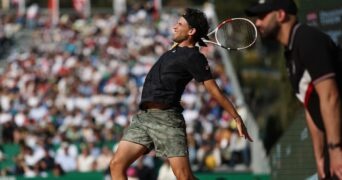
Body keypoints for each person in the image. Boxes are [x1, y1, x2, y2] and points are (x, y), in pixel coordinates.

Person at [109, 8, 253, 180]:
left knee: (183, 177)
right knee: (116, 165)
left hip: (167, 119)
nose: (174, 27)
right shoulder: (176, 48)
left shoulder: (194, 57)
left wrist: (236, 117)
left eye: (180, 24)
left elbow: (214, 90)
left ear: (191, 31)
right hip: (144, 118)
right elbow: (181, 42)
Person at [245, 0, 342, 179]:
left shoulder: (307, 40)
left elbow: (330, 96)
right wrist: (320, 159)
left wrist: (336, 149)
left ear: (281, 15)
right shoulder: (290, 53)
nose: (257, 23)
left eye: (262, 16)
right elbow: (311, 108)